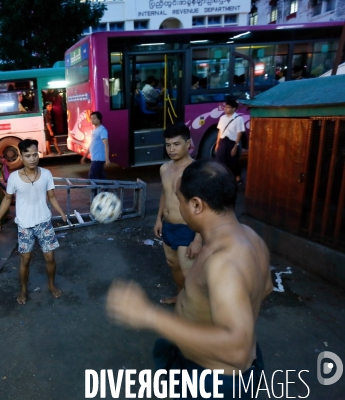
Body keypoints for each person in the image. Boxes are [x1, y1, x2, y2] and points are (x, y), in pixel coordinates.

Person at [107, 160, 273, 398]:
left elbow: (237, 351)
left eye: (179, 199)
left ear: (196, 205)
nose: (178, 206)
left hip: (214, 382)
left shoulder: (222, 262)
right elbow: (265, 288)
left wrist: (148, 315)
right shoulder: (251, 237)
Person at [0, 139, 67, 304]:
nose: (32, 159)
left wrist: (61, 212)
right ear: (21, 156)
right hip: (25, 225)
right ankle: (24, 290)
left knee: (50, 258)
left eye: (35, 154)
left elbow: (52, 196)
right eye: (28, 156)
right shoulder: (14, 178)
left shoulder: (46, 174)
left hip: (44, 222)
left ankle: (51, 285)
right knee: (25, 260)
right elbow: (7, 199)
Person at [153, 123, 202, 304]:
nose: (171, 149)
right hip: (168, 226)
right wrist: (158, 219)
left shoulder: (196, 171)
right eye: (168, 145)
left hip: (187, 227)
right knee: (173, 265)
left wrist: (198, 237)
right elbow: (165, 194)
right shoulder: (164, 168)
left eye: (176, 144)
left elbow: (204, 206)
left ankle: (194, 311)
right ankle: (180, 297)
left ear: (188, 143)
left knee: (188, 271)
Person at [215, 99, 245, 185]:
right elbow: (220, 131)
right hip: (222, 141)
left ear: (234, 108)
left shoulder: (238, 119)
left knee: (232, 161)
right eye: (225, 107)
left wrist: (236, 146)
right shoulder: (222, 118)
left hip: (232, 142)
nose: (225, 109)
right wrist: (217, 143)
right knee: (220, 160)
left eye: (228, 107)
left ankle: (237, 178)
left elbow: (239, 133)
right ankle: (223, 178)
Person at [80, 111, 110, 179]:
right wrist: (85, 156)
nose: (92, 120)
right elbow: (91, 144)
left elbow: (106, 145)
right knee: (101, 175)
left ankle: (95, 189)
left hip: (99, 158)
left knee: (92, 175)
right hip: (95, 158)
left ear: (99, 119)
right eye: (91, 118)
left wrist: (107, 158)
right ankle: (105, 189)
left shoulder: (102, 130)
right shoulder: (95, 130)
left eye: (94, 118)